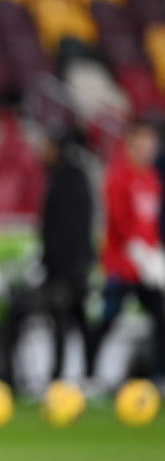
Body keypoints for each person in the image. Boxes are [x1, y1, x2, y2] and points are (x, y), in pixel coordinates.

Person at [87, 119, 165, 381]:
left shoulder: (152, 179)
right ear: (130, 143)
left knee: (161, 318)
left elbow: (151, 223)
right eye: (141, 142)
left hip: (145, 269)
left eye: (151, 143)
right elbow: (118, 219)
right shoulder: (118, 175)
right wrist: (137, 250)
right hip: (119, 266)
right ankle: (89, 377)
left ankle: (159, 376)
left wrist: (154, 255)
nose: (146, 148)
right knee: (106, 320)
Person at [39, 130, 94, 380]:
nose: (45, 152)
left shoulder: (67, 180)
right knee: (76, 321)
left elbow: (67, 228)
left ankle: (63, 374)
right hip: (73, 264)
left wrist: (56, 262)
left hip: (68, 266)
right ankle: (87, 373)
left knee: (67, 320)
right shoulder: (70, 177)